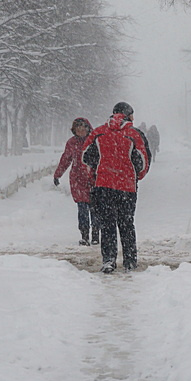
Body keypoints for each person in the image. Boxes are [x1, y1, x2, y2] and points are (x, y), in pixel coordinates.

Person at [82, 102, 150, 273]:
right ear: (128, 115)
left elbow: (86, 157)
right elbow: (143, 162)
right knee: (127, 224)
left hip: (103, 186)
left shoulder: (98, 132)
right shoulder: (134, 134)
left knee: (107, 224)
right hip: (127, 188)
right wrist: (133, 178)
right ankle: (129, 261)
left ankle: (109, 260)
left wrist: (96, 177)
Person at [53, 117, 98, 246]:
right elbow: (65, 159)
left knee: (95, 209)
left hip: (94, 179)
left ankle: (96, 233)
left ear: (88, 128)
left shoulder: (95, 140)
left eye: (83, 128)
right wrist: (58, 174)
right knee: (82, 209)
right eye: (78, 129)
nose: (81, 131)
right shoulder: (72, 143)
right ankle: (84, 235)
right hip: (78, 180)